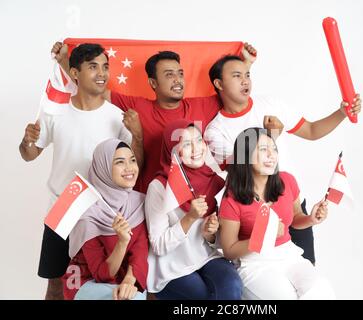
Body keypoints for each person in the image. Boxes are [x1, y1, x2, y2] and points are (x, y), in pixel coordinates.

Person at [204, 54, 362, 264]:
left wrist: (342, 112)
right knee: (264, 281)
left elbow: (312, 131)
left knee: (306, 269)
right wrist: (273, 137)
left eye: (248, 74)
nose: (245, 81)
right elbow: (238, 168)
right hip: (251, 211)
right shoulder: (215, 130)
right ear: (218, 83)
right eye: (236, 75)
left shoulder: (271, 103)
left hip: (289, 199)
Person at [19, 43, 143, 299]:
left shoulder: (117, 115)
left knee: (105, 282)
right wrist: (27, 141)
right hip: (64, 207)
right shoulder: (55, 112)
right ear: (74, 73)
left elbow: (134, 164)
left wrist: (138, 136)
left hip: (103, 214)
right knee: (56, 284)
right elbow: (29, 155)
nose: (102, 73)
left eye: (105, 67)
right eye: (93, 66)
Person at [51, 42, 257, 192]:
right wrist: (64, 62)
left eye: (180, 73)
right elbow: (96, 88)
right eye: (169, 75)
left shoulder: (201, 105)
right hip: (148, 198)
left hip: (193, 200)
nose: (178, 80)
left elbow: (231, 88)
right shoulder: (139, 107)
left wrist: (246, 64)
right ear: (153, 83)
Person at [219, 127, 335, 300]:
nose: (271, 155)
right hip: (254, 263)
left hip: (288, 255)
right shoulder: (231, 199)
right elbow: (229, 250)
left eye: (274, 149)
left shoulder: (287, 180)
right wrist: (262, 238)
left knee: (320, 292)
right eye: (264, 149)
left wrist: (311, 219)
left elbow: (295, 219)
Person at [145, 119, 242, 300]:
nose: (197, 149)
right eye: (187, 144)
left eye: (199, 140)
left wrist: (211, 234)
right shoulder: (159, 188)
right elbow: (158, 246)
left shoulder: (213, 179)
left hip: (205, 257)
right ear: (173, 150)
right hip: (171, 267)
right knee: (201, 295)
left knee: (232, 284)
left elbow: (220, 241)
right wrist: (189, 218)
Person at [63, 139, 148, 300]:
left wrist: (130, 280)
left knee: (134, 295)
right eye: (120, 162)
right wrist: (122, 243)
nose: (129, 168)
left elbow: (140, 250)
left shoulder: (139, 202)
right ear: (104, 168)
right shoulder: (88, 215)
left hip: (123, 278)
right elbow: (101, 274)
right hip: (84, 281)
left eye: (132, 160)